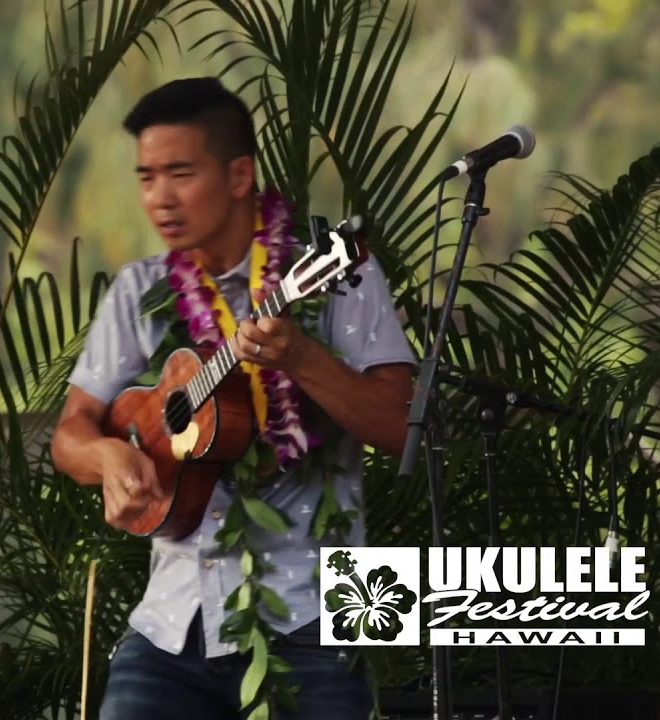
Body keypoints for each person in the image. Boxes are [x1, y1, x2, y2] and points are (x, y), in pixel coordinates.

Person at [49, 76, 417, 719]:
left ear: (240, 173)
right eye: (146, 177)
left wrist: (302, 359)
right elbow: (70, 431)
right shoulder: (139, 291)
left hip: (320, 614)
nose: (159, 198)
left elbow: (407, 428)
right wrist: (108, 457)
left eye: (181, 172)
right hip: (172, 619)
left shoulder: (333, 276)